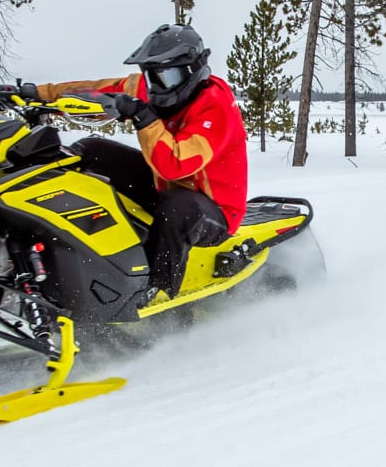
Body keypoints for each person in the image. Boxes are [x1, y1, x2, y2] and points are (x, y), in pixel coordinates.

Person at [15, 24, 248, 304]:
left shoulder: (215, 106)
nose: (157, 86)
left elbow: (175, 164)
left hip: (214, 211)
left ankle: (155, 290)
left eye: (167, 76)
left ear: (192, 70)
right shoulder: (150, 89)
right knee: (91, 150)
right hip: (165, 188)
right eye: (151, 77)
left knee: (177, 209)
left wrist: (144, 117)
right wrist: (36, 93)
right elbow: (93, 90)